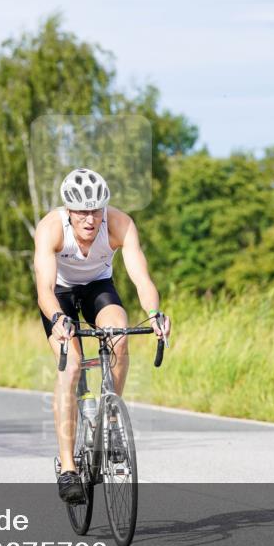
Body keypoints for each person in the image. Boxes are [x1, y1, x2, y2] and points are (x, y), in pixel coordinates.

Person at [33, 168, 171, 504]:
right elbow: (44, 290)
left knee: (119, 336)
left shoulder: (120, 224)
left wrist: (155, 313)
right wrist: (58, 319)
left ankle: (110, 421)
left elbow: (141, 278)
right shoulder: (51, 228)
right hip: (60, 295)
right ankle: (68, 467)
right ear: (69, 210)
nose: (90, 219)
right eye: (81, 211)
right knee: (71, 367)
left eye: (96, 210)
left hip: (98, 287)